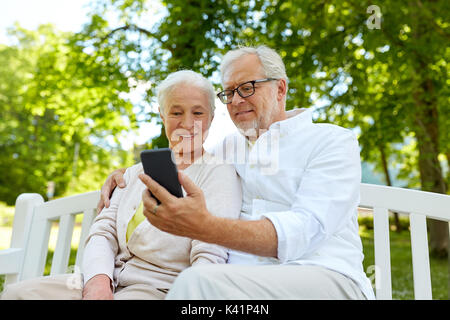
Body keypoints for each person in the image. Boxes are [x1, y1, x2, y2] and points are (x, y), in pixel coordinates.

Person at [97, 45, 376, 300]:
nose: (236, 100)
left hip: (325, 278)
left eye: (247, 88)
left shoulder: (331, 141)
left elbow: (305, 230)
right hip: (238, 287)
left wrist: (205, 226)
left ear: (280, 89)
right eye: (228, 92)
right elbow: (188, 159)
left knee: (196, 286)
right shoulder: (229, 148)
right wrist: (128, 173)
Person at [0, 70, 242, 300]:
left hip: (159, 288)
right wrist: (98, 281)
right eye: (176, 113)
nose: (187, 123)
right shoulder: (137, 171)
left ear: (211, 116)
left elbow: (209, 253)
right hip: (102, 278)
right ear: (162, 115)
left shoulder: (218, 173)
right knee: (15, 294)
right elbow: (103, 231)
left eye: (197, 113)